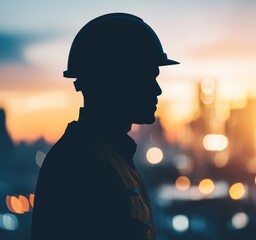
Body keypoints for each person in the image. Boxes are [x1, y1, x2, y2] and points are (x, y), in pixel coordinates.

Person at [31, 13, 179, 240]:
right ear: (118, 80)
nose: (157, 90)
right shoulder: (79, 164)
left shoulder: (109, 157)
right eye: (149, 77)